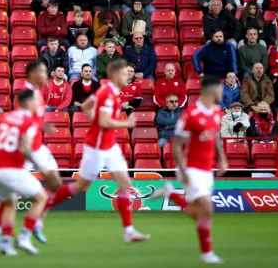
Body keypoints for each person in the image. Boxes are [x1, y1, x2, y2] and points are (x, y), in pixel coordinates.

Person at [45, 59, 150, 243]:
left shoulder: (109, 91)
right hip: (97, 147)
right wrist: (126, 123)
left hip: (110, 145)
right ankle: (43, 204)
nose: (129, 75)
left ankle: (129, 231)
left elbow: (86, 106)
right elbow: (104, 122)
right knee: (81, 186)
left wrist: (94, 120)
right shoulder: (108, 94)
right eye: (126, 72)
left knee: (125, 183)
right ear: (116, 74)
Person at [151, 77, 227, 263]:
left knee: (197, 212)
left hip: (207, 168)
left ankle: (170, 193)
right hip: (191, 168)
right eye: (220, 89)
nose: (222, 92)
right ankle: (207, 253)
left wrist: (222, 159)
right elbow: (176, 143)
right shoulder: (190, 113)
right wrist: (182, 168)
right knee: (207, 209)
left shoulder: (217, 112)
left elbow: (216, 136)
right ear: (213, 90)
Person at [0, 60, 62, 246]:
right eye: (43, 72)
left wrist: (44, 127)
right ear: (34, 74)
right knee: (12, 195)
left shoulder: (38, 93)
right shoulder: (26, 94)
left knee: (55, 182)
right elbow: (20, 121)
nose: (46, 75)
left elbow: (33, 121)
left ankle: (35, 220)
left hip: (38, 145)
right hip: (28, 147)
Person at [0, 89, 50, 256]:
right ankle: (24, 237)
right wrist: (41, 168)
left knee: (9, 203)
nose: (37, 104)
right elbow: (25, 147)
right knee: (41, 198)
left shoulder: (8, 117)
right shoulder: (29, 121)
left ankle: (6, 245)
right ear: (29, 103)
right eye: (36, 101)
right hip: (12, 170)